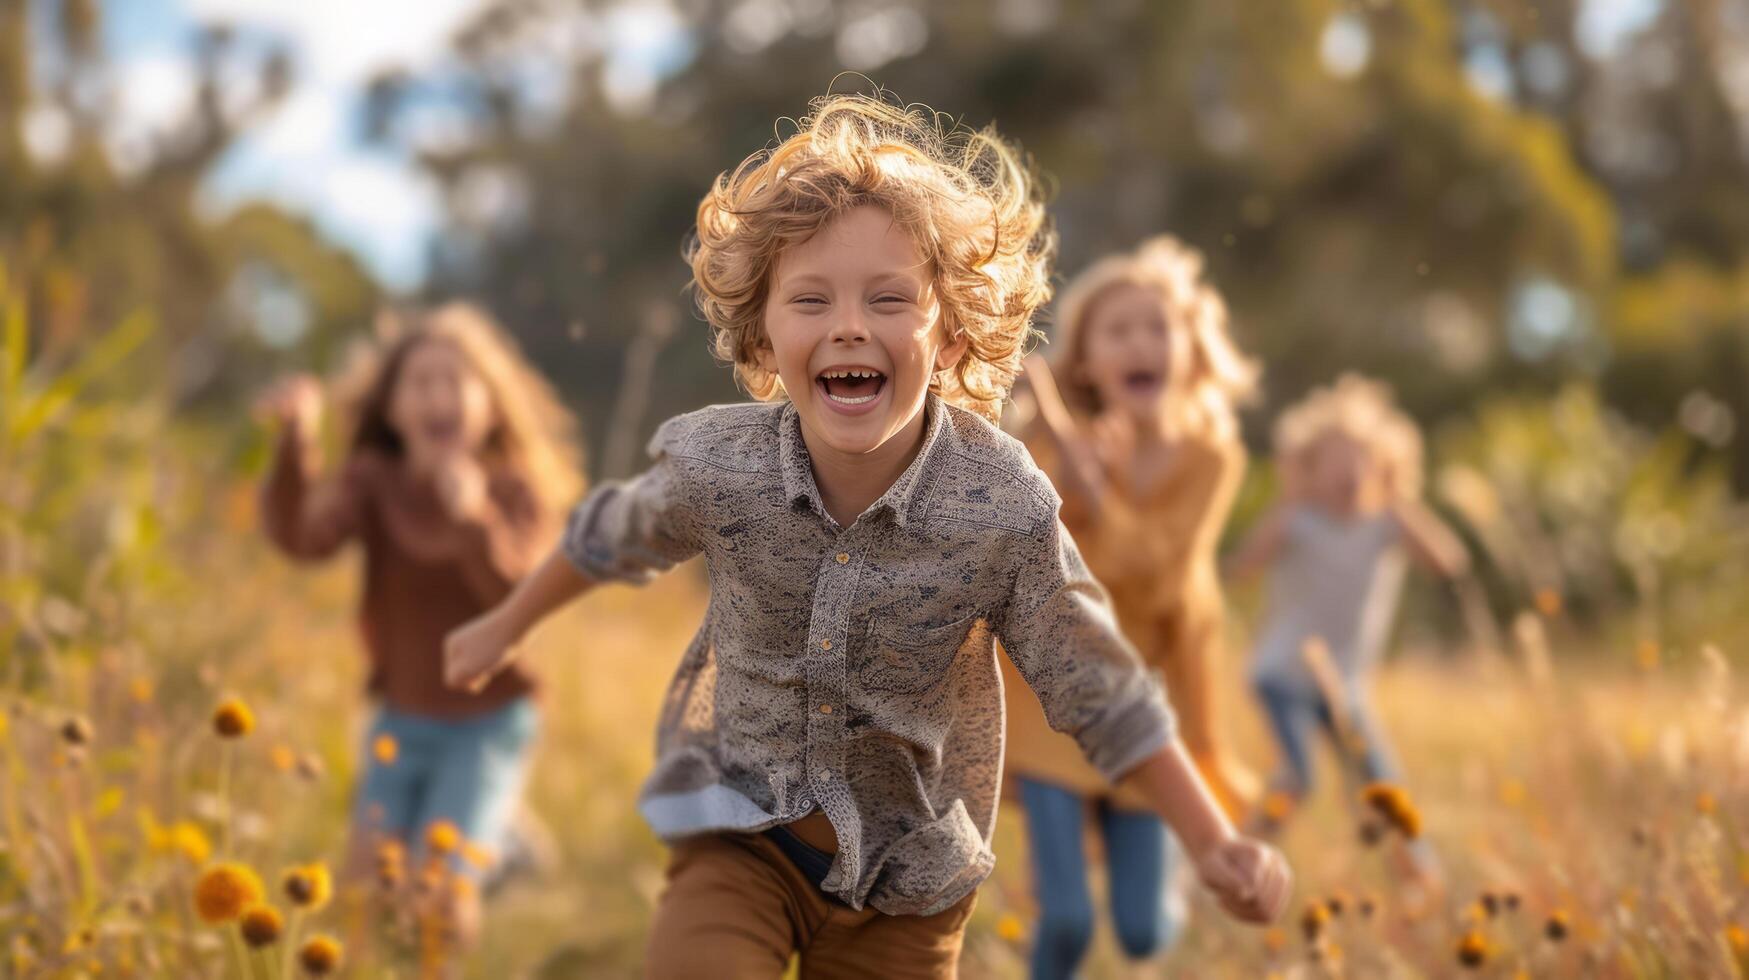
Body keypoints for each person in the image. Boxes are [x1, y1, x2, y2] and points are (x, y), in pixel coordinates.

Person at [444, 93, 1290, 979]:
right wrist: (503, 626)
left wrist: (1211, 841)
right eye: (810, 299)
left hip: (908, 883)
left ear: (953, 336)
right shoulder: (722, 466)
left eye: (890, 299)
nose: (849, 324)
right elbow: (612, 535)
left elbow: (1101, 686)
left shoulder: (1000, 505)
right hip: (741, 842)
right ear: (763, 337)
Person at [256, 303, 581, 942]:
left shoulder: (513, 491)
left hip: (488, 722)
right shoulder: (375, 482)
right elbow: (302, 538)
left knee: (437, 898)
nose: (438, 395)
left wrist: (472, 521)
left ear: (490, 403)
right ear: (393, 410)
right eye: (419, 382)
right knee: (362, 891)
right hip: (402, 716)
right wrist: (295, 443)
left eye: (455, 380)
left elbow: (521, 600)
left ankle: (490, 843)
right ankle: (502, 837)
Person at [1000, 236, 1260, 978]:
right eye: (1119, 331)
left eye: (1156, 327)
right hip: (1049, 699)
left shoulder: (1211, 460)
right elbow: (1042, 556)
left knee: (1142, 932)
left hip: (1150, 702)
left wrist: (1096, 486)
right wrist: (1059, 452)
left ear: (1188, 349)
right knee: (1067, 919)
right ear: (1087, 362)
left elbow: (1151, 569)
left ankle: (1166, 880)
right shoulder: (1052, 450)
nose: (1140, 343)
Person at [1229, 375, 1466, 860]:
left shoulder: (1386, 524)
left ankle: (1423, 879)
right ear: (1308, 469)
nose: (1348, 471)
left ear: (1385, 467)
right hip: (1282, 674)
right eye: (1333, 460)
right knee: (1298, 777)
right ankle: (1234, 861)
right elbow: (1241, 569)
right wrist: (1287, 501)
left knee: (1384, 786)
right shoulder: (1299, 520)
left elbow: (1449, 562)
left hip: (1345, 685)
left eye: (1361, 458)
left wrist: (1400, 500)